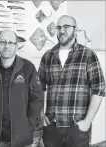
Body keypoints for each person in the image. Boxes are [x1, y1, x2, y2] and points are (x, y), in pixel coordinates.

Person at [38, 15, 105, 147]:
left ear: (76, 30)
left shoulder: (88, 55)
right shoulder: (48, 56)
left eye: (66, 27)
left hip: (77, 129)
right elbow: (38, 88)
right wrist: (40, 115)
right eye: (59, 27)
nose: (62, 31)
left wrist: (87, 121)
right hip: (52, 127)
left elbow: (99, 89)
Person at [0, 29, 44, 147]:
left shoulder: (28, 68)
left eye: (11, 42)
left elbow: (37, 99)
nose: (6, 46)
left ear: (16, 46)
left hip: (22, 138)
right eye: (3, 42)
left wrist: (29, 125)